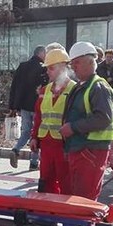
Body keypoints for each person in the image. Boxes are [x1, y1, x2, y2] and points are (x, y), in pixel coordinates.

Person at [59, 41, 113, 201]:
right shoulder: (82, 86)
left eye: (77, 63)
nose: (73, 67)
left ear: (91, 62)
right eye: (72, 64)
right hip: (82, 149)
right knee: (78, 194)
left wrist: (73, 127)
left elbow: (103, 118)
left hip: (91, 150)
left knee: (85, 197)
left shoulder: (98, 87)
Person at [31, 48, 76, 194]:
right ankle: (47, 212)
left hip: (64, 145)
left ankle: (63, 213)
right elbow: (39, 116)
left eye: (51, 68)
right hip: (46, 143)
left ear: (63, 67)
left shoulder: (74, 89)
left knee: (66, 182)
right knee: (46, 181)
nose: (47, 72)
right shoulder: (44, 90)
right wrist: (34, 138)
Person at [8, 45, 47, 170]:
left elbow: (14, 86)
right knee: (36, 133)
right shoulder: (43, 68)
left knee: (26, 131)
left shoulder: (22, 66)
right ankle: (34, 162)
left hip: (24, 105)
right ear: (41, 54)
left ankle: (16, 149)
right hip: (38, 105)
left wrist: (13, 106)